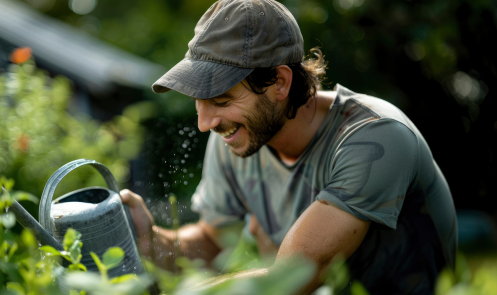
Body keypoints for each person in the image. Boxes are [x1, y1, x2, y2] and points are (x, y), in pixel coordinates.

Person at [120, 0, 457, 293]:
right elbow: (211, 241)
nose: (204, 123)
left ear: (280, 82)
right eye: (199, 103)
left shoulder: (376, 138)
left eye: (221, 100)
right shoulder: (236, 137)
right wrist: (149, 241)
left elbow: (291, 279)